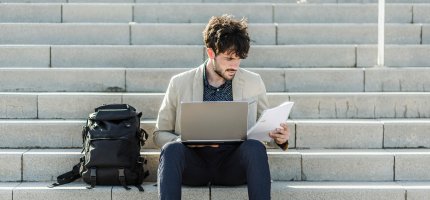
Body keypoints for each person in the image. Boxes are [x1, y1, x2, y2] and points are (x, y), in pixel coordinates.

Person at [153, 14, 290, 200]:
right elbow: (159, 133)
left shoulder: (253, 81)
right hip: (194, 164)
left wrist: (279, 138)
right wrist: (185, 141)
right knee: (170, 150)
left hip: (232, 165)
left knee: (255, 148)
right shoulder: (179, 83)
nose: (235, 65)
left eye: (238, 59)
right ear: (211, 53)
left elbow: (265, 128)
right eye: (228, 59)